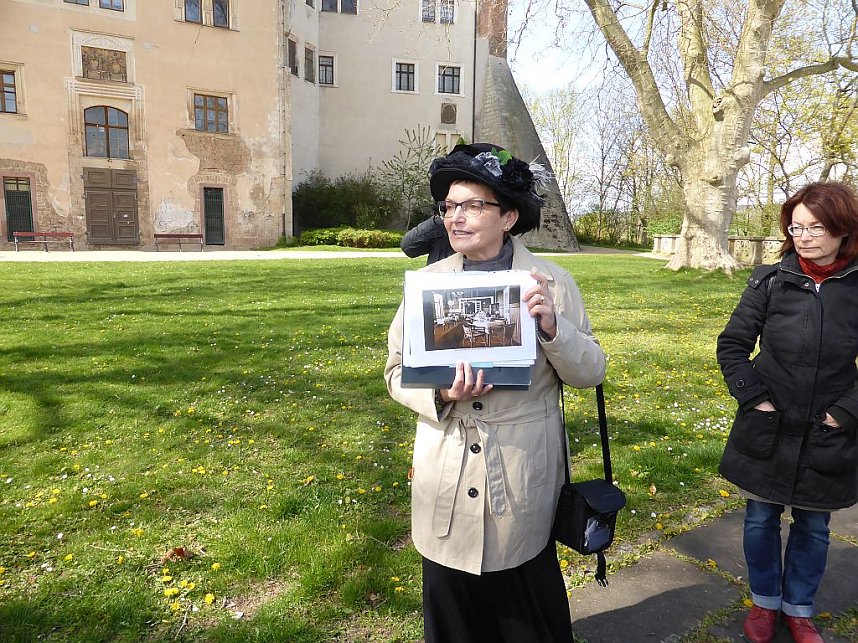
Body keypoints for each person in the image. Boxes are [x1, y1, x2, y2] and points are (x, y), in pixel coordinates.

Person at [384, 143, 606, 642]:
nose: (454, 218)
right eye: (448, 207)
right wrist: (440, 396)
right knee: (454, 620)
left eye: (471, 206)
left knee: (526, 617)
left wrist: (552, 327)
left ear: (508, 216)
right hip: (446, 470)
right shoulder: (426, 286)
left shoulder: (551, 282)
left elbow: (591, 371)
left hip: (521, 470)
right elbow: (396, 373)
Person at [716, 181, 858, 643]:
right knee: (760, 519)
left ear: (843, 228)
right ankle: (764, 603)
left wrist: (845, 412)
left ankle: (799, 609)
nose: (805, 236)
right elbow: (733, 345)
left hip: (828, 430)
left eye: (816, 227)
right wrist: (754, 397)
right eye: (796, 227)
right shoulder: (769, 280)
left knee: (814, 525)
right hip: (769, 425)